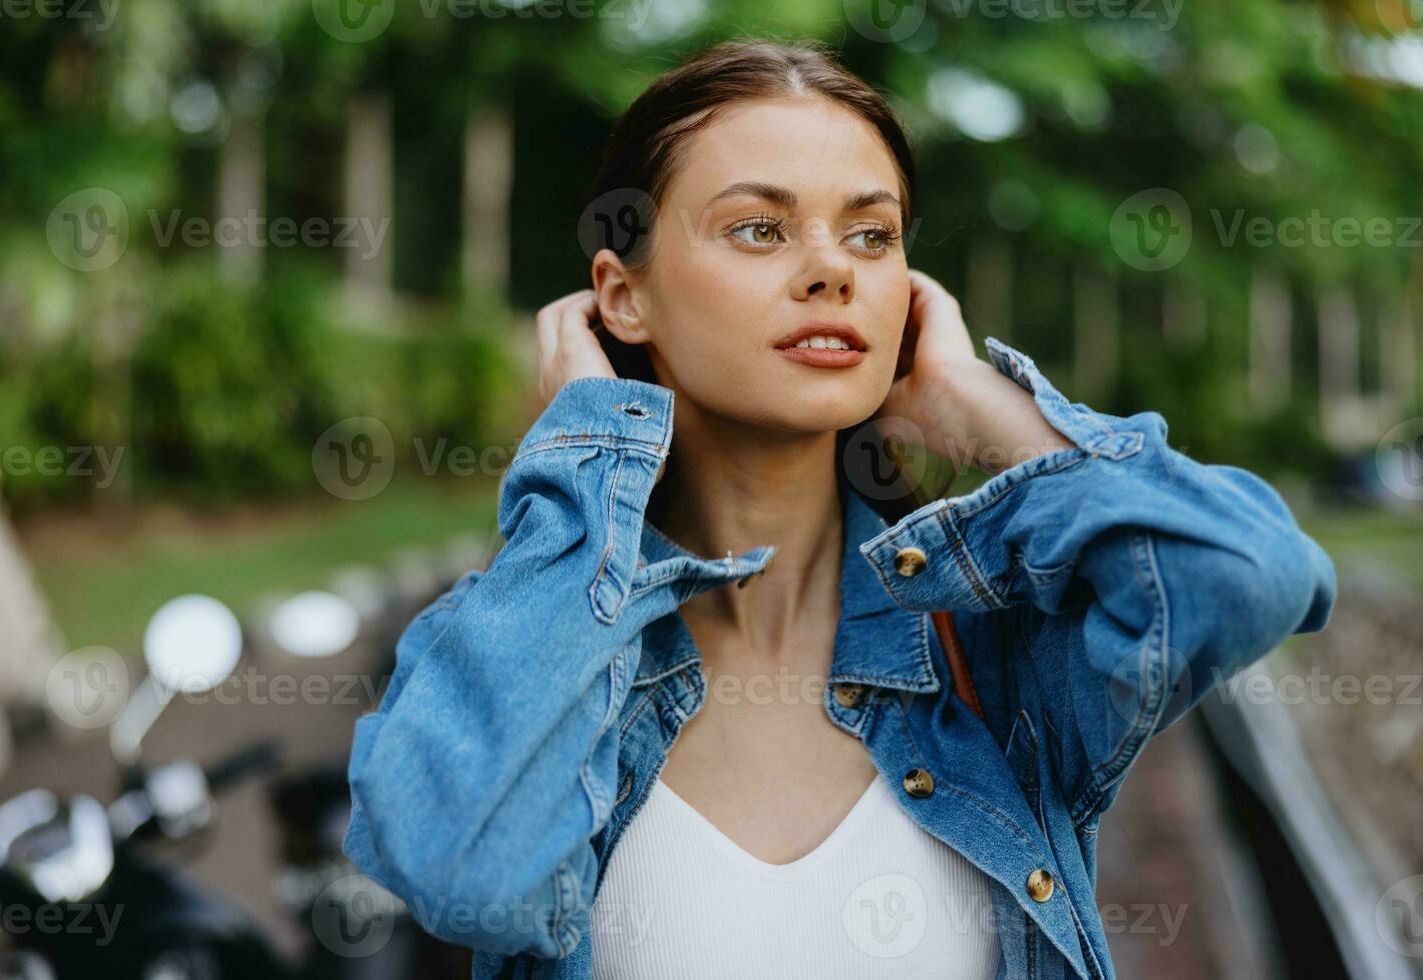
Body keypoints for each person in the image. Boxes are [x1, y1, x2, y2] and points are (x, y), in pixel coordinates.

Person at [343, 39, 1336, 980]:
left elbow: (1253, 575)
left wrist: (988, 413)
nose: (833, 268)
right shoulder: (537, 655)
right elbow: (456, 862)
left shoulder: (990, 657)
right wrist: (589, 459)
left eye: (872, 233)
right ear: (623, 295)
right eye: (759, 227)